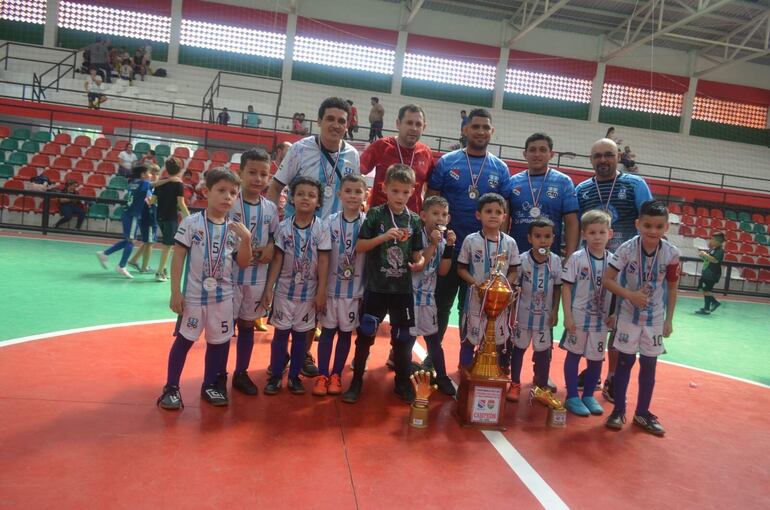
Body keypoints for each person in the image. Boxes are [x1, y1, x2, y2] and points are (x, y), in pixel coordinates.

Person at [156, 168, 253, 410]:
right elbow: (178, 256)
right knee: (184, 341)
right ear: (207, 192)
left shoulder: (235, 229)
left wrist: (247, 240)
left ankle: (209, 385)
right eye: (221, 190)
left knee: (218, 343)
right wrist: (175, 292)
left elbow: (243, 263)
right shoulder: (191, 223)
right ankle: (171, 387)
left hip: (223, 299)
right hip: (194, 298)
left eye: (233, 193)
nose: (227, 197)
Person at [427, 108, 513, 365]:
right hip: (449, 248)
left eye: (485, 127)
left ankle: (473, 359)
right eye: (475, 126)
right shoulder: (447, 162)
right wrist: (433, 237)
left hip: (482, 254)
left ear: (492, 132)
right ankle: (433, 357)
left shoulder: (500, 168)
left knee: (477, 308)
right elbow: (432, 200)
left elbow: (505, 210)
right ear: (465, 130)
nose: (480, 131)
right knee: (441, 304)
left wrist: (500, 250)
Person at [574, 137, 652, 401]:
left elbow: (648, 221)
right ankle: (593, 371)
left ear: (618, 156)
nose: (603, 160)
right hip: (592, 269)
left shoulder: (635, 184)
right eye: (597, 156)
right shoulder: (583, 189)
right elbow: (576, 227)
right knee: (592, 322)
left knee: (618, 327)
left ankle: (611, 378)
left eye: (608, 154)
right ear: (591, 160)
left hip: (626, 271)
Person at [341, 164, 425, 404]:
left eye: (405, 192)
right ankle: (356, 381)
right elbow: (359, 246)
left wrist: (419, 262)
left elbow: (417, 254)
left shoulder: (414, 219)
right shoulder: (376, 215)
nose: (400, 196)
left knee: (403, 339)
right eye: (395, 190)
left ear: (413, 191)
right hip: (376, 288)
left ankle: (401, 382)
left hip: (402, 290)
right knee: (366, 334)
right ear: (384, 188)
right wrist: (383, 237)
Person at [601, 200, 680, 436]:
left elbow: (672, 287)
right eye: (648, 225)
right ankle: (618, 410)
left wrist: (669, 320)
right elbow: (607, 280)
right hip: (628, 317)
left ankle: (642, 413)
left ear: (666, 227)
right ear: (638, 224)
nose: (653, 231)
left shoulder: (672, 253)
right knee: (624, 363)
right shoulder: (626, 249)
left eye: (658, 226)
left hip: (654, 320)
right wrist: (630, 296)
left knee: (649, 366)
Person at [261, 177, 330, 395]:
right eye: (300, 194)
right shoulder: (283, 228)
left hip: (308, 294)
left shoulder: (322, 228)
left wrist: (321, 291)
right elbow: (277, 260)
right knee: (280, 336)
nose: (305, 198)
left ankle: (294, 377)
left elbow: (324, 261)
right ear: (292, 198)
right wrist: (269, 288)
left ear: (318, 202)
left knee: (301, 337)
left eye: (311, 195)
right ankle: (275, 376)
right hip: (284, 292)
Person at [227, 149, 279, 395]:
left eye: (263, 174)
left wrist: (270, 246)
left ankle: (241, 372)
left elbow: (275, 238)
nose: (258, 178)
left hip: (256, 279)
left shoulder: (270, 208)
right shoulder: (229, 203)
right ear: (240, 173)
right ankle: (217, 374)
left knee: (247, 325)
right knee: (224, 329)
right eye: (252, 172)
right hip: (228, 279)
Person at [314, 174, 368, 397]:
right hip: (331, 291)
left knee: (346, 335)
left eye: (358, 191)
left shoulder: (368, 223)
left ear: (365, 195)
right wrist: (321, 290)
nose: (353, 196)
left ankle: (336, 374)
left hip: (354, 293)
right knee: (327, 332)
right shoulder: (329, 222)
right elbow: (323, 257)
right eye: (348, 191)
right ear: (339, 194)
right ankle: (322, 375)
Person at [456, 193, 520, 368]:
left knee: (498, 337)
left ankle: (495, 370)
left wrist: (503, 288)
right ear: (478, 215)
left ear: (504, 217)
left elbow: (514, 270)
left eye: (498, 212)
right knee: (470, 336)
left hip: (499, 301)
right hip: (476, 298)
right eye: (488, 211)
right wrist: (477, 284)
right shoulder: (471, 240)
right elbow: (461, 269)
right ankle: (465, 368)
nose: (493, 215)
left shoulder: (510, 243)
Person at [561, 210, 614, 417]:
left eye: (602, 232)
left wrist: (615, 314)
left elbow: (618, 291)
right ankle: (572, 396)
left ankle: (589, 395)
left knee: (596, 358)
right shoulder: (577, 258)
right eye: (592, 232)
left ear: (610, 234)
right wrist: (567, 315)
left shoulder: (614, 261)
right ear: (584, 235)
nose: (597, 237)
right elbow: (566, 287)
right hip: (579, 317)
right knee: (574, 355)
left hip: (601, 320)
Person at [508, 217, 562, 407]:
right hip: (523, 316)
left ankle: (541, 386)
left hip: (544, 318)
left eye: (547, 236)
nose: (543, 241)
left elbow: (557, 288)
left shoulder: (556, 261)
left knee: (543, 353)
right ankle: (515, 383)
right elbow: (515, 288)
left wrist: (555, 310)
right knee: (518, 350)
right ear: (530, 238)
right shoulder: (522, 260)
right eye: (538, 236)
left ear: (553, 238)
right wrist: (512, 314)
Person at [410, 195, 457, 396]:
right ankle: (402, 377)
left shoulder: (442, 241)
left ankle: (443, 376)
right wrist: (433, 244)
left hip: (429, 298)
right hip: (410, 296)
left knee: (433, 340)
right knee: (407, 339)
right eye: (435, 213)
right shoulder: (415, 235)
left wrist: (449, 247)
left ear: (448, 219)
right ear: (423, 216)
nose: (440, 218)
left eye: (444, 214)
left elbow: (443, 271)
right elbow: (418, 265)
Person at [508, 133, 579, 259]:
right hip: (516, 257)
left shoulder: (564, 182)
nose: (537, 154)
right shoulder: (513, 182)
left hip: (550, 259)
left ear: (551, 154)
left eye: (542, 150)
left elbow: (572, 223)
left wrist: (569, 258)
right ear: (525, 154)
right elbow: (504, 220)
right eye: (532, 150)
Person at [360, 104, 434, 212]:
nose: (414, 128)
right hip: (380, 218)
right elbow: (357, 173)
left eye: (418, 124)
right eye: (409, 123)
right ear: (398, 123)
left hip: (412, 219)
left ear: (424, 127)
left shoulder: (426, 153)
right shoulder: (381, 146)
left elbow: (432, 188)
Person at [95, 165, 153, 279]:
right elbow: (151, 197)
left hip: (127, 213)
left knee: (128, 240)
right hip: (133, 215)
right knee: (131, 241)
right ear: (143, 175)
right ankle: (121, 266)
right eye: (149, 173)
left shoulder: (133, 183)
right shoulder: (145, 184)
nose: (150, 175)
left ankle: (104, 253)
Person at [153, 157, 190, 281]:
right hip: (170, 218)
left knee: (167, 243)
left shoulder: (160, 182)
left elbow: (152, 200)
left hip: (159, 217)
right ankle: (159, 273)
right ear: (180, 170)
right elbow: (181, 204)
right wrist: (190, 219)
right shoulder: (178, 184)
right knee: (168, 245)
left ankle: (163, 269)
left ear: (166, 169)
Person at [127, 164, 160, 273]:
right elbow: (150, 202)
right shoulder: (146, 187)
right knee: (150, 242)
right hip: (148, 218)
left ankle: (133, 260)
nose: (154, 176)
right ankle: (144, 267)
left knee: (147, 241)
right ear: (146, 175)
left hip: (149, 217)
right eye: (152, 173)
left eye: (157, 174)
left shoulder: (152, 187)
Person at [696, 232, 724, 315]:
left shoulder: (720, 251)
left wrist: (705, 254)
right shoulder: (712, 249)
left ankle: (713, 304)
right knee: (702, 288)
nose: (710, 240)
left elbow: (715, 260)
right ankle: (707, 307)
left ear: (718, 241)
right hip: (707, 272)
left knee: (706, 290)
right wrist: (702, 255)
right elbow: (707, 258)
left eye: (712, 239)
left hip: (713, 273)